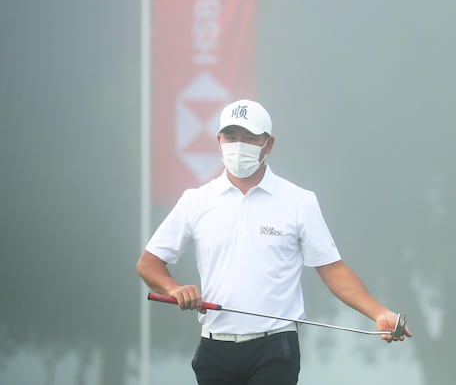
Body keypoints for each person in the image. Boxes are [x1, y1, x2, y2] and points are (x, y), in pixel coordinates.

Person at [136, 98, 411, 385]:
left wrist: (379, 312)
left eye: (250, 138)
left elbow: (334, 272)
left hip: (274, 348)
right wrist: (173, 287)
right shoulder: (195, 201)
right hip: (213, 348)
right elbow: (149, 264)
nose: (238, 145)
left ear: (268, 144)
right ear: (219, 140)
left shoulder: (298, 201)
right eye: (231, 136)